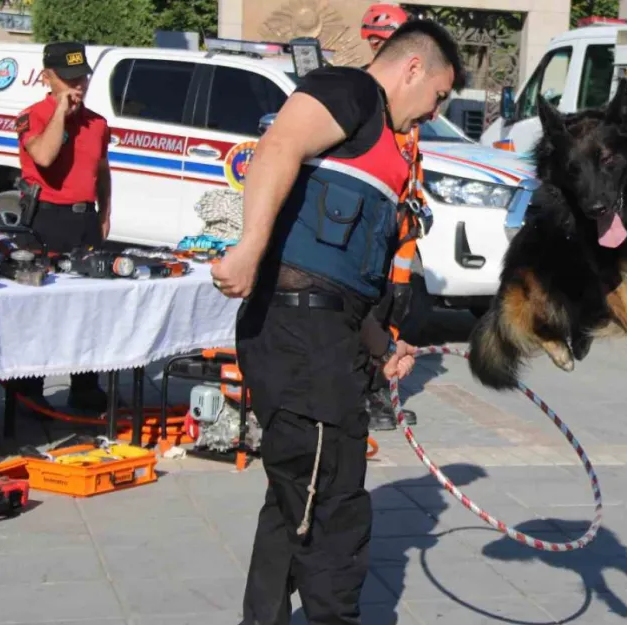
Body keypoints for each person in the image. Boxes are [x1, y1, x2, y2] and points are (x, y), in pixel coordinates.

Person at [210, 20, 465, 625]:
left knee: (296, 494)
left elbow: (344, 285)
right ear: (412, 70)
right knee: (335, 508)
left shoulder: (383, 138)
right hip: (301, 341)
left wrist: (382, 345)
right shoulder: (350, 91)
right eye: (437, 95)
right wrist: (249, 247)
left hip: (321, 334)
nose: (434, 111)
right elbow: (278, 147)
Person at [11, 41, 111, 413]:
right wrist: (59, 112)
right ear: (48, 77)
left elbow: (102, 170)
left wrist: (104, 212)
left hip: (84, 220)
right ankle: (27, 389)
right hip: (46, 219)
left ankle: (85, 386)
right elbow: (45, 155)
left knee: (88, 307)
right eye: (68, 79)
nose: (78, 85)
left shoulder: (97, 123)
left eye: (81, 77)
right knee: (40, 309)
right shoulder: (32, 116)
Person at [360, 1, 430, 431]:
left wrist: (420, 202)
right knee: (369, 306)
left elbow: (412, 159)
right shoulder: (367, 94)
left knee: (397, 304)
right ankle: (367, 396)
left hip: (404, 224)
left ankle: (379, 392)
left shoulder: (409, 94)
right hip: (377, 221)